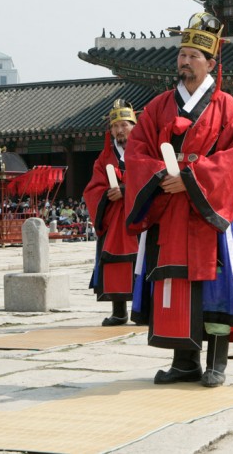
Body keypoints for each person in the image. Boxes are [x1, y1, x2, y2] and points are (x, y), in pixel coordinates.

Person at [124, 12, 233, 388]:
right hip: (170, 208)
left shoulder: (227, 107)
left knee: (216, 284)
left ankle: (216, 362)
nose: (184, 60)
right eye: (181, 54)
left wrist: (191, 179)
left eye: (193, 55)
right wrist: (164, 176)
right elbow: (137, 152)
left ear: (211, 63)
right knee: (175, 285)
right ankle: (184, 361)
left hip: (207, 211)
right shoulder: (158, 107)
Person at [83, 98, 141, 326]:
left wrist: (126, 190)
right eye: (115, 126)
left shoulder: (144, 152)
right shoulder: (104, 159)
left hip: (139, 217)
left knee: (142, 263)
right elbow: (92, 189)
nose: (119, 130)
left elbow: (153, 177)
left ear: (134, 126)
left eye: (124, 125)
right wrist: (108, 193)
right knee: (115, 264)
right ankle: (119, 311)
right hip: (114, 220)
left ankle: (143, 310)